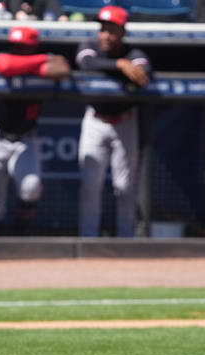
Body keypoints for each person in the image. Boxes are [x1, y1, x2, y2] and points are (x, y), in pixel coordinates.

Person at [0, 26, 71, 237]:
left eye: (24, 48)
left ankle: (21, 234)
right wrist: (40, 61)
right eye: (15, 47)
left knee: (31, 187)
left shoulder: (42, 64)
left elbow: (62, 68)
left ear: (34, 48)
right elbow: (5, 64)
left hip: (24, 139)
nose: (17, 51)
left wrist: (34, 64)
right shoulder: (3, 58)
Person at [75, 5, 151, 237]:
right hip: (95, 121)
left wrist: (128, 64)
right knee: (90, 185)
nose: (106, 35)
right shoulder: (89, 46)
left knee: (125, 187)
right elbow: (86, 63)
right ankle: (88, 239)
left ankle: (126, 239)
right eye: (103, 29)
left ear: (123, 32)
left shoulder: (132, 52)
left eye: (112, 30)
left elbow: (143, 68)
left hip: (125, 122)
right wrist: (118, 65)